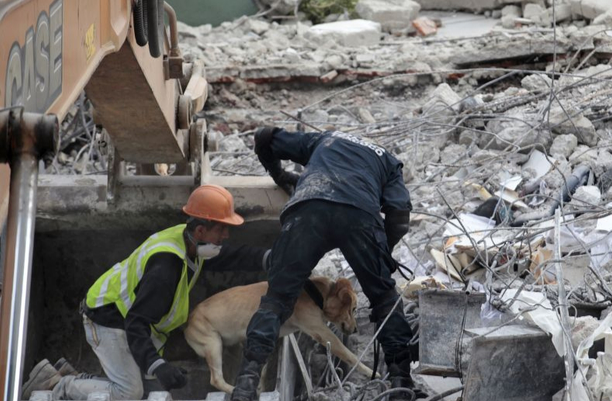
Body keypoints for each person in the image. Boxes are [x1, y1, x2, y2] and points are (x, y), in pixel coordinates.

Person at [22, 184, 270, 400]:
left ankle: (70, 376)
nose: (226, 235)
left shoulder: (189, 244)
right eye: (221, 229)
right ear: (201, 231)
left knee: (149, 385)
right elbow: (136, 324)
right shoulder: (165, 270)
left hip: (123, 314)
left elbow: (230, 257)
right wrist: (158, 365)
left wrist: (269, 258)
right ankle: (59, 386)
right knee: (129, 394)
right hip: (107, 320)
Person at [230, 127, 420, 401]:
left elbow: (263, 136)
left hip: (308, 210)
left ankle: (245, 386)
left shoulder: (326, 140)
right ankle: (401, 382)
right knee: (384, 297)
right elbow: (399, 218)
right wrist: (381, 255)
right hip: (359, 216)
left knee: (276, 300)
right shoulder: (388, 161)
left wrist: (280, 176)